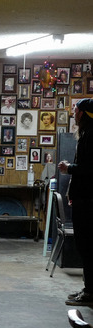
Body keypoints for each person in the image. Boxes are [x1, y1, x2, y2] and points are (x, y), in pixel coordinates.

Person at [61, 98, 93, 305]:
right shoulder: (87, 133)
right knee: (86, 246)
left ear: (82, 113)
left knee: (88, 246)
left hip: (89, 200)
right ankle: (88, 289)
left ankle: (90, 293)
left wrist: (69, 168)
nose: (73, 112)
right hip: (84, 197)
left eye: (75, 109)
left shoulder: (91, 135)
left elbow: (90, 169)